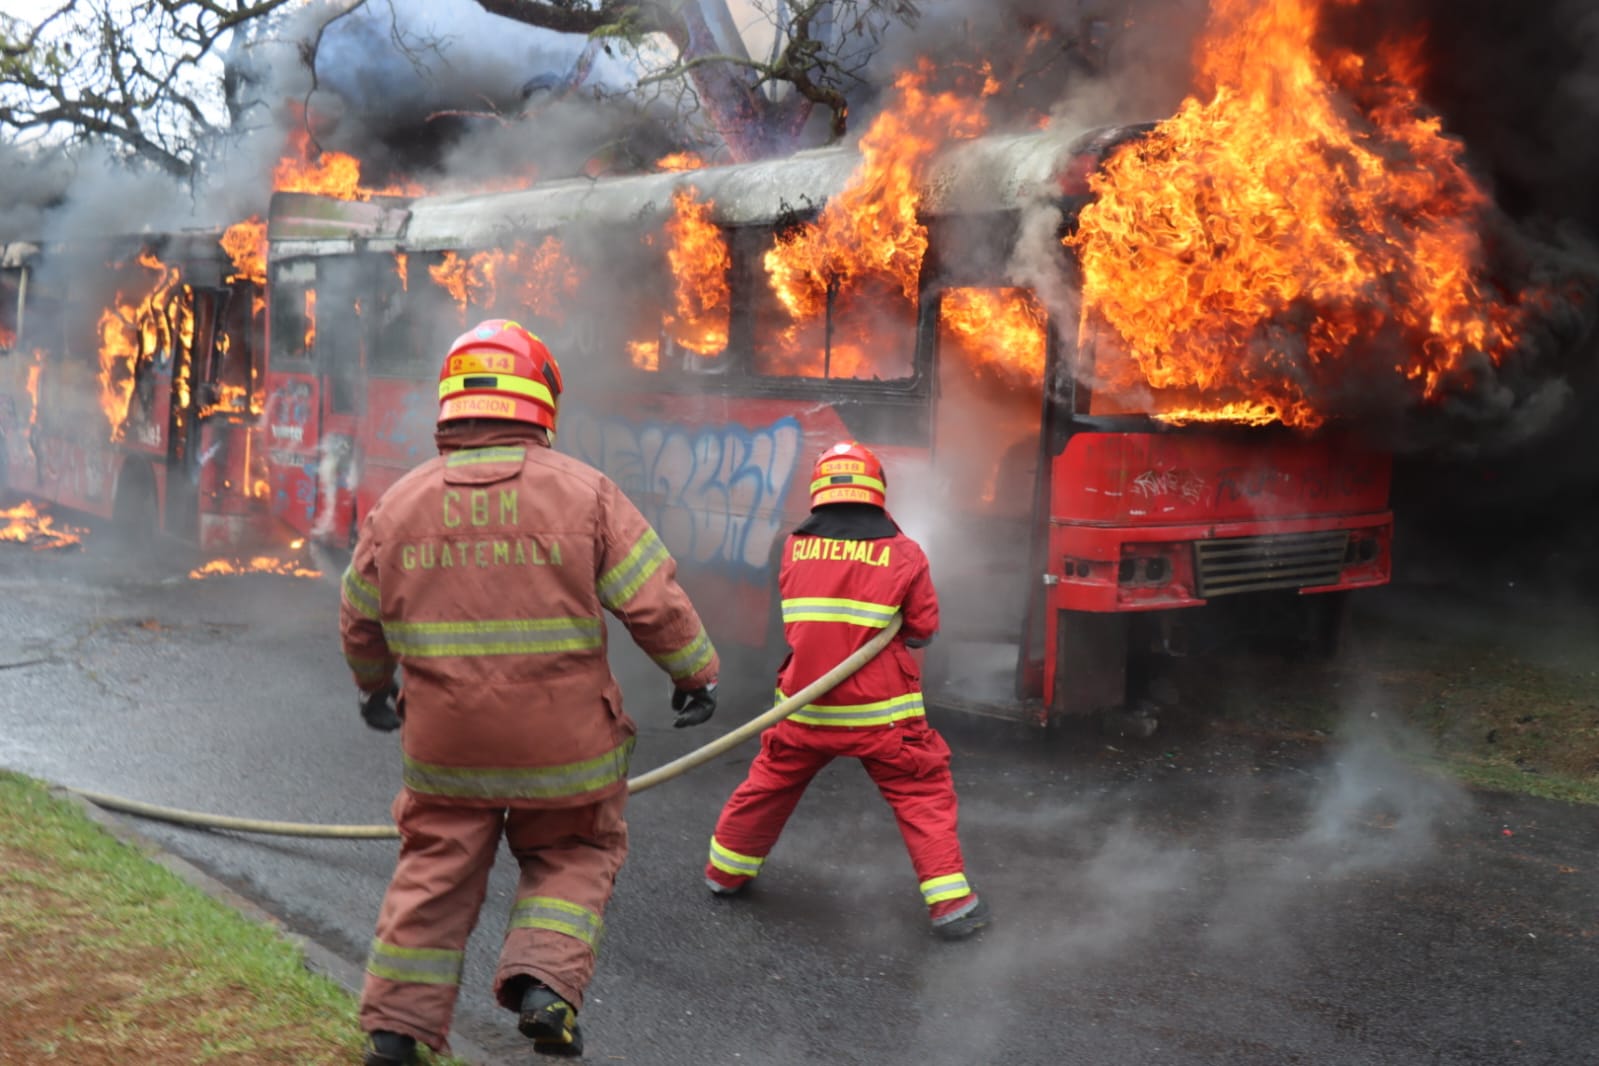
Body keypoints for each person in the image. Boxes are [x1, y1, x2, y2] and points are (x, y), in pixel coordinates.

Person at [340, 319, 720, 1065]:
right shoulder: (586, 493)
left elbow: (359, 617)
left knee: (433, 872)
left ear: (450, 402)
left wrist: (374, 687)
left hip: (445, 746)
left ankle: (394, 1033)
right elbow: (654, 600)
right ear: (541, 398)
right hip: (567, 746)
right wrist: (695, 675)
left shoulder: (400, 503)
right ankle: (545, 991)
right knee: (572, 851)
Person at [702, 440, 990, 940]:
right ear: (877, 489)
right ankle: (952, 906)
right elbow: (922, 629)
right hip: (881, 715)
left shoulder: (794, 546)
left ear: (819, 491)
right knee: (921, 791)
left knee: (769, 785)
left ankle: (724, 873)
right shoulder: (904, 553)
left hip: (804, 706)